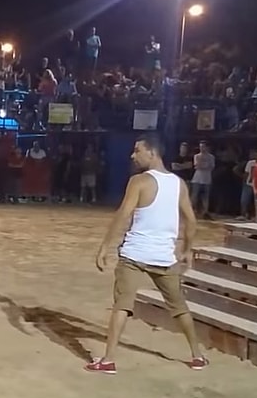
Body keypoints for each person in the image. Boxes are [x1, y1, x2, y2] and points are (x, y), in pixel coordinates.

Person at [88, 134, 208, 374]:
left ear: (152, 153)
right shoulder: (179, 184)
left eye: (137, 150)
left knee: (122, 305)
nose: (133, 155)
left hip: (134, 254)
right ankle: (197, 356)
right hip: (164, 256)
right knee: (179, 306)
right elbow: (191, 221)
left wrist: (105, 247)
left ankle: (109, 360)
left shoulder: (139, 181)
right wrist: (186, 250)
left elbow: (122, 215)